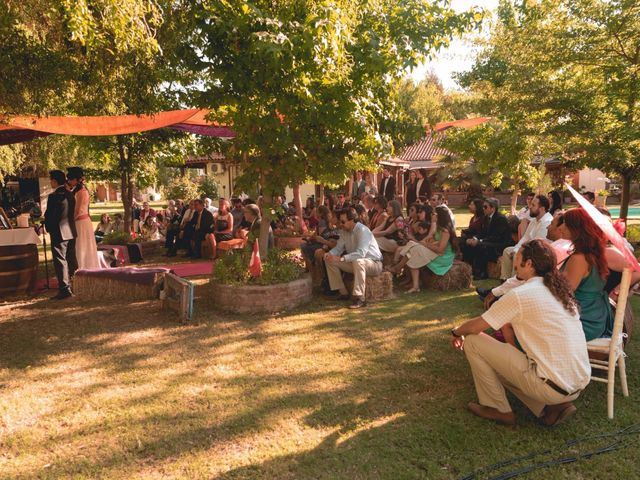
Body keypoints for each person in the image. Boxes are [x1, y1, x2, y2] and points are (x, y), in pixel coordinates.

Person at [451, 239, 590, 426]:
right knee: (497, 360)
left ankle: (498, 409)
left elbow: (477, 327)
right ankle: (550, 407)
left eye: (518, 257)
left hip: (553, 386)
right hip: (575, 385)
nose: (514, 260)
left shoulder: (521, 294)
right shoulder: (560, 291)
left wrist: (456, 331)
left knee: (474, 342)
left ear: (530, 263)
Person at [558, 208, 613, 341]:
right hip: (595, 315)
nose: (561, 227)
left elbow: (563, 294)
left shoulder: (579, 259)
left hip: (582, 320)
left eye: (565, 223)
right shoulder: (594, 253)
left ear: (577, 229)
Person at [324, 208, 383, 309]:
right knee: (329, 260)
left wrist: (341, 259)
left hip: (374, 263)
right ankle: (343, 293)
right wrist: (329, 254)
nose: (341, 224)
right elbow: (338, 248)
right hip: (355, 262)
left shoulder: (363, 231)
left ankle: (359, 298)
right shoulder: (344, 232)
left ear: (352, 220)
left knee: (358, 261)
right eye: (340, 221)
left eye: (343, 221)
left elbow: (361, 253)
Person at [388, 206, 456, 293]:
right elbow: (436, 241)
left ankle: (399, 269)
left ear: (439, 216)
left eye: (433, 214)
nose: (431, 215)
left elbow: (441, 250)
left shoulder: (445, 230)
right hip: (435, 251)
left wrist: (426, 245)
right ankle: (413, 284)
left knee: (414, 249)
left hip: (443, 257)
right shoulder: (438, 227)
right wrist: (430, 242)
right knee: (413, 248)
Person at [499, 194, 553, 280]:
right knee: (507, 251)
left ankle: (513, 283)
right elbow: (525, 237)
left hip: (538, 254)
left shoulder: (546, 222)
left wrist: (518, 251)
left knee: (518, 254)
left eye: (533, 205)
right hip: (529, 249)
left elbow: (537, 245)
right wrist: (516, 248)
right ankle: (504, 280)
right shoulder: (534, 220)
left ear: (542, 209)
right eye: (531, 204)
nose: (530, 207)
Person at [44, 170, 78, 299]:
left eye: (51, 180)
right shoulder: (70, 194)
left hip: (59, 232)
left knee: (60, 261)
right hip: (71, 231)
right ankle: (74, 284)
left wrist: (47, 227)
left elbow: (52, 216)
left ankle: (64, 289)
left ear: (55, 181)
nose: (50, 182)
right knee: (70, 259)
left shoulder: (54, 196)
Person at [462, 197, 512, 280]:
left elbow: (497, 237)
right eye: (483, 207)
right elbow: (482, 233)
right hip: (490, 241)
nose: (483, 209)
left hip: (500, 244)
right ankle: (469, 270)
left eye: (485, 207)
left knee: (480, 246)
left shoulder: (500, 219)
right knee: (466, 243)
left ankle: (482, 273)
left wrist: (479, 241)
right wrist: (474, 238)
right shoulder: (486, 218)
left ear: (493, 208)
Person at [67, 167, 99, 270]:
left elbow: (77, 211)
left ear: (77, 180)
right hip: (80, 221)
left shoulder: (81, 192)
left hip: (81, 222)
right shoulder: (76, 191)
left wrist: (69, 222)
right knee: (78, 246)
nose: (69, 181)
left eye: (71, 179)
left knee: (81, 247)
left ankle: (83, 269)